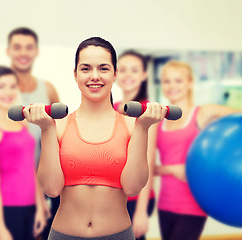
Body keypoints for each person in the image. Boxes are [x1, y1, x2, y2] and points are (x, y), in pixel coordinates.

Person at [24, 37, 167, 240]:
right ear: (75, 74)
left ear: (115, 73)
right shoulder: (58, 126)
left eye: (103, 68)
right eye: (85, 69)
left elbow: (133, 187)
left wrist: (143, 128)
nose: (94, 76)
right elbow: (52, 189)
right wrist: (46, 129)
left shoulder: (131, 126)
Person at [0, 27, 59, 240]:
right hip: (1, 192)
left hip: (33, 188)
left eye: (28, 47)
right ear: (8, 51)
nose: (23, 53)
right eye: (17, 47)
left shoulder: (47, 90)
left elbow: (58, 135)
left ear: (36, 51)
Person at [154, 60, 241, 240]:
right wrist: (170, 169)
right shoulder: (159, 120)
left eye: (178, 81)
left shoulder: (204, 112)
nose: (171, 86)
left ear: (190, 83)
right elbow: (148, 167)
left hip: (193, 205)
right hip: (165, 204)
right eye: (166, 81)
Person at [0, 65, 46, 240]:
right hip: (6, 209)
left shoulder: (19, 122)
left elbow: (30, 167)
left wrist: (39, 207)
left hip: (29, 207)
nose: (7, 92)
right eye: (1, 86)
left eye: (12, 86)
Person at [113, 50, 156, 240]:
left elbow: (148, 163)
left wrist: (141, 212)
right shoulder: (111, 109)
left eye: (134, 70)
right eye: (123, 69)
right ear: (115, 74)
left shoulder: (149, 111)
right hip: (114, 199)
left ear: (144, 75)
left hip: (136, 199)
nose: (128, 75)